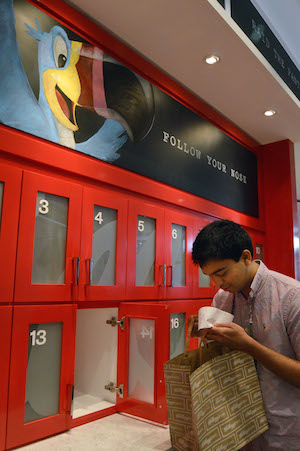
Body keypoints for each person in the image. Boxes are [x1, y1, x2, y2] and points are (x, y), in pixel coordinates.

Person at [192, 219, 300, 451]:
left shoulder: (291, 297)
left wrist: (249, 346)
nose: (218, 284)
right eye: (210, 276)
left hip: (285, 431)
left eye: (222, 273)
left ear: (245, 257)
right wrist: (206, 335)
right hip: (237, 428)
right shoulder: (222, 299)